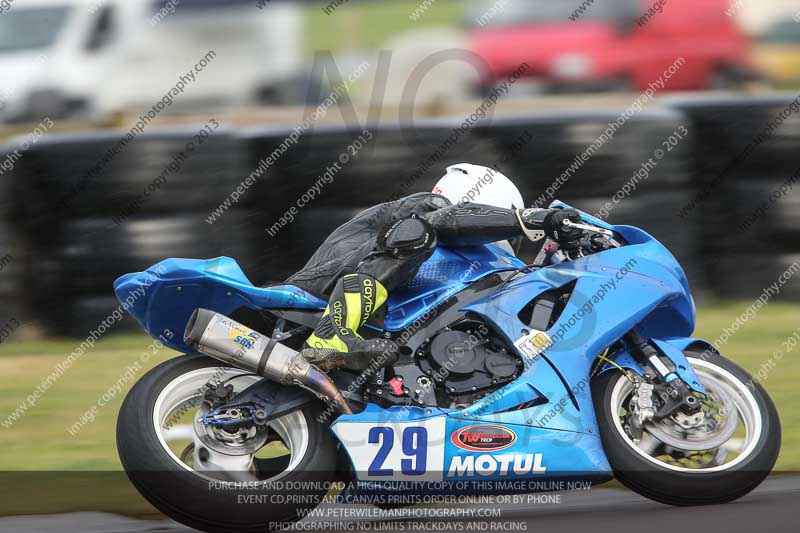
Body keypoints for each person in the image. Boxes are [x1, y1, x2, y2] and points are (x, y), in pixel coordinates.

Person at [285, 163, 583, 371]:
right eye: (498, 217)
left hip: (365, 310)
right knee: (417, 233)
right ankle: (330, 335)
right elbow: (448, 220)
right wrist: (531, 219)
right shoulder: (425, 208)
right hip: (316, 293)